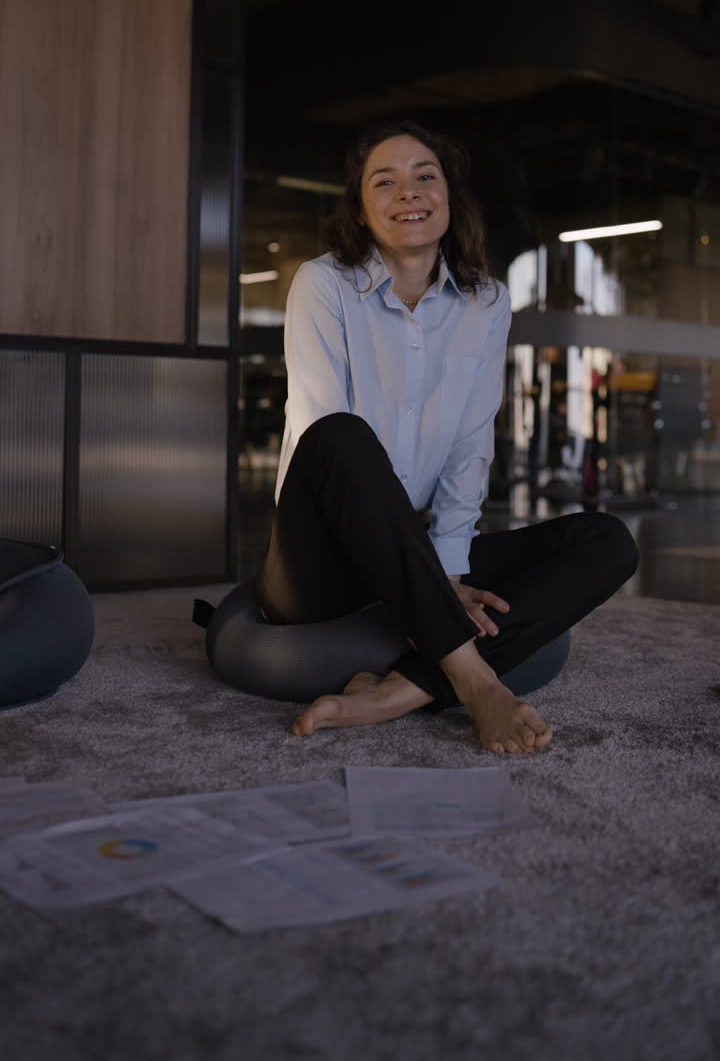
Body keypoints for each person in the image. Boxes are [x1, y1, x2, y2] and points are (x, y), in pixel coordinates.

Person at [255, 120, 638, 755]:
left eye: (425, 176)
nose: (408, 192)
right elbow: (325, 440)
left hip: (418, 551)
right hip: (318, 559)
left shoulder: (486, 302)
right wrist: (434, 588)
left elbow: (470, 443)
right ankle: (472, 681)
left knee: (606, 541)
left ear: (449, 196)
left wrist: (450, 569)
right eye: (385, 181)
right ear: (361, 208)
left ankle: (401, 691)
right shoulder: (323, 284)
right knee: (341, 434)